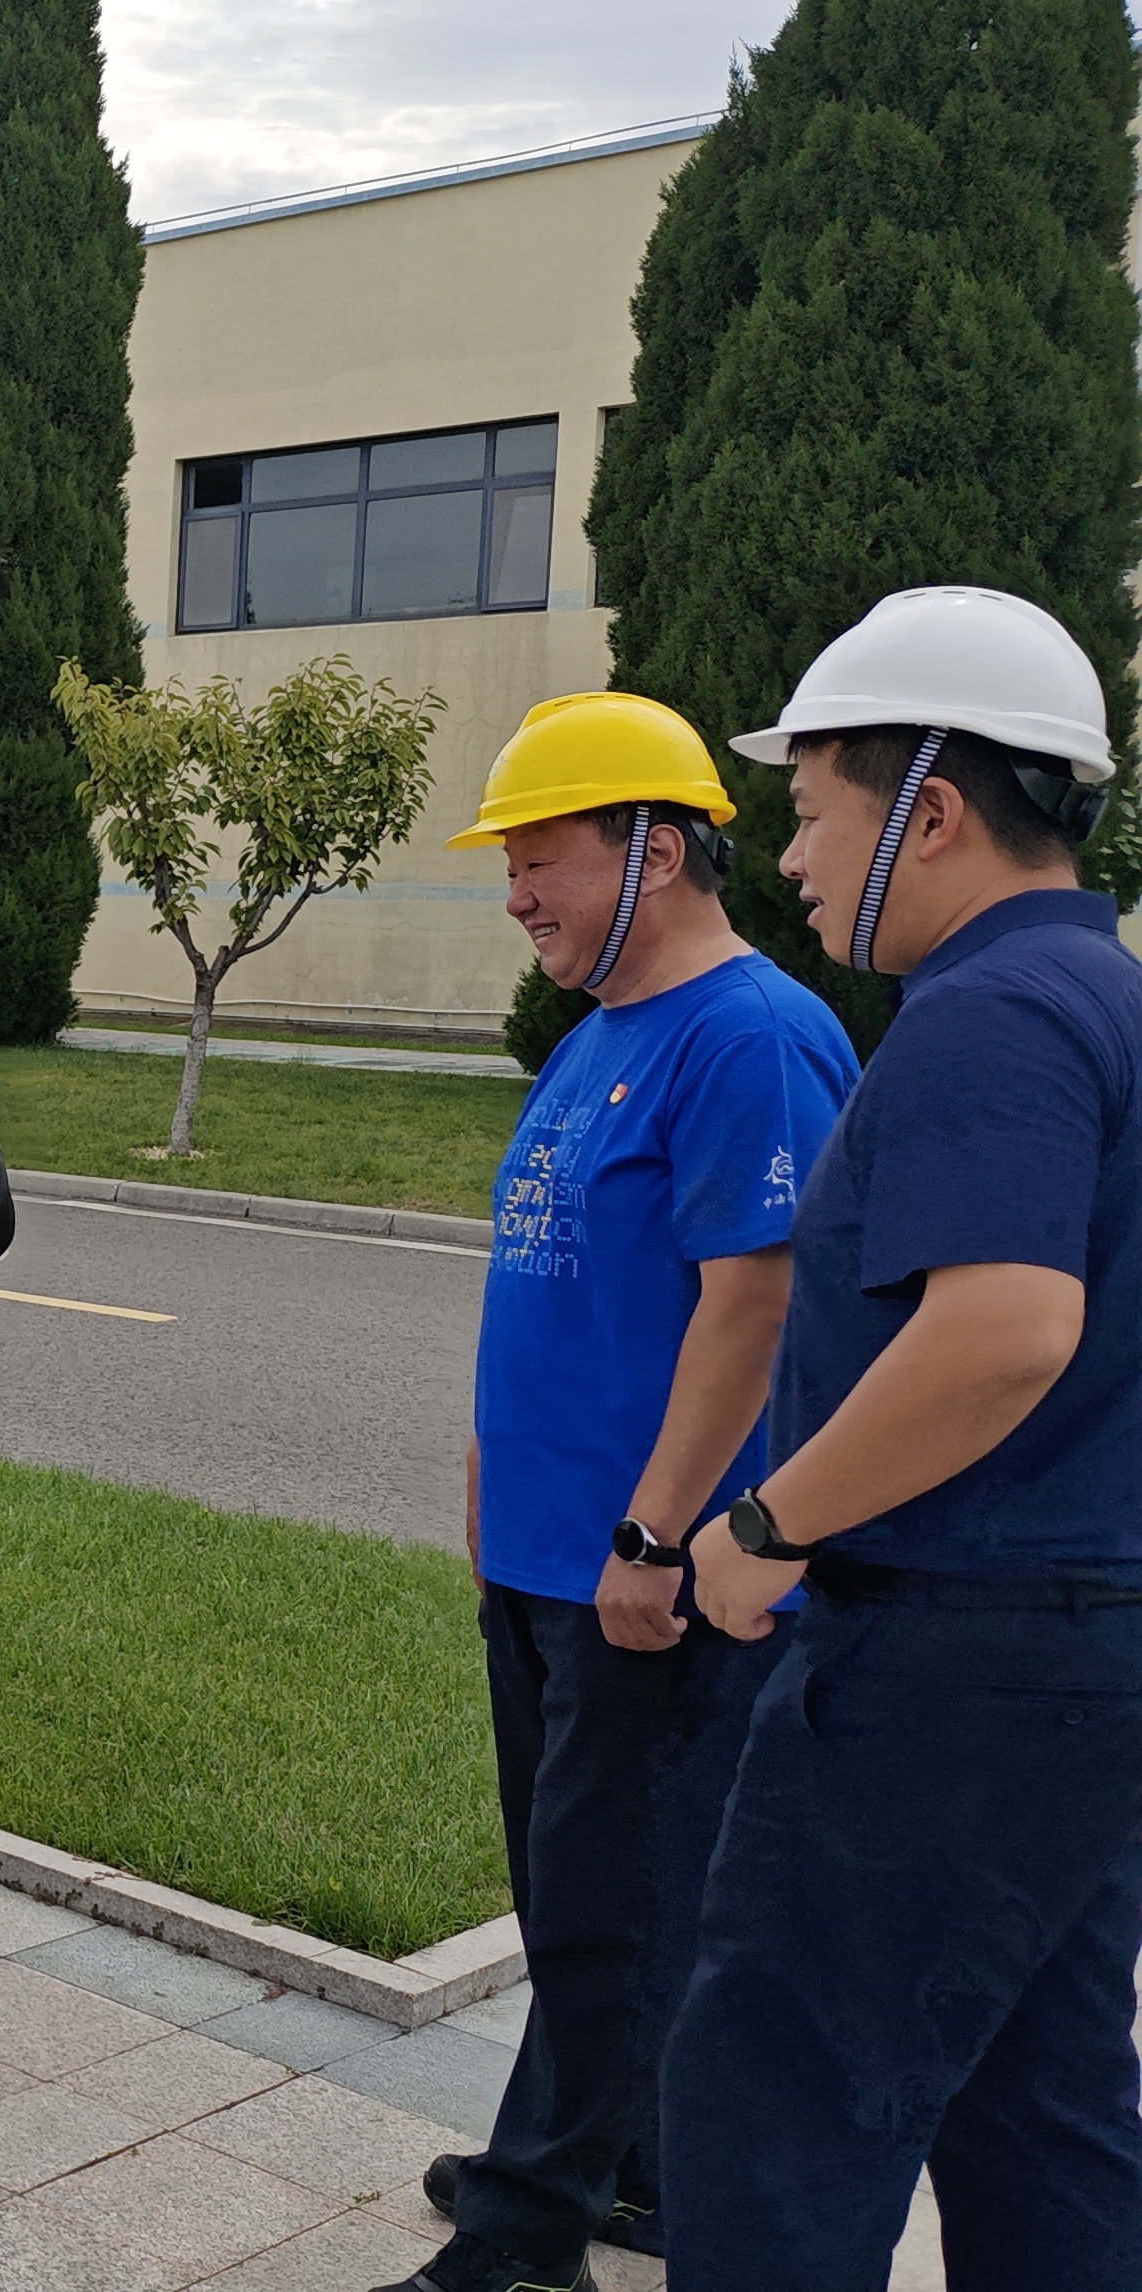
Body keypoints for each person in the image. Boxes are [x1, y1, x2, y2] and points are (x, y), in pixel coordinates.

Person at [656, 587, 1142, 2289]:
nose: (792, 857)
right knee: (1043, 2110)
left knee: (774, 2116)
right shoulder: (1107, 993)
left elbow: (1005, 1331)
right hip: (1075, 1657)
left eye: (812, 811)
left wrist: (765, 1526)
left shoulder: (989, 1012)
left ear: (929, 813)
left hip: (944, 1666)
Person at [380, 697, 855, 2292]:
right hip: (546, 1554)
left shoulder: (751, 1037)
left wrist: (654, 1533)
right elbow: (554, 1285)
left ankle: (527, 2233)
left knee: (613, 1907)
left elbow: (758, 1303)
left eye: (540, 857)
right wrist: (490, 1467)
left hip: (653, 1571)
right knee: (566, 1883)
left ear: (654, 848)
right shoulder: (596, 1037)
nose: (516, 893)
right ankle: (633, 2164)